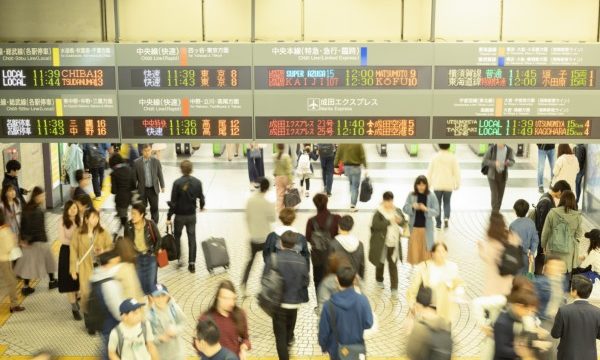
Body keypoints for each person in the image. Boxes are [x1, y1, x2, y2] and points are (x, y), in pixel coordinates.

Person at [265, 231, 309, 360]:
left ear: (280, 243)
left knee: (280, 337)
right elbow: (306, 281)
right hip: (294, 304)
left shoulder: (273, 258)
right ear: (295, 244)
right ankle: (288, 344)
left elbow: (265, 279)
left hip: (277, 304)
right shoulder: (302, 260)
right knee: (288, 334)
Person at [318, 266, 373, 360]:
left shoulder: (329, 305)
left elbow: (324, 331)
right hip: (357, 349)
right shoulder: (362, 300)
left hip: (336, 350)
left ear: (337, 280)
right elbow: (368, 323)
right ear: (353, 280)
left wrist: (324, 347)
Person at [70, 208, 112, 321]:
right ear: (86, 219)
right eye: (93, 217)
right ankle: (88, 320)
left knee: (99, 293)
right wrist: (73, 269)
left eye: (97, 217)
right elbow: (73, 251)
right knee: (85, 293)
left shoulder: (102, 232)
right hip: (85, 267)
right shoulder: (78, 233)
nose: (96, 219)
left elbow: (111, 246)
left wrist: (103, 250)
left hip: (100, 268)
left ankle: (99, 316)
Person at [13, 187, 57, 295]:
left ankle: (26, 287)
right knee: (48, 261)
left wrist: (23, 239)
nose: (44, 197)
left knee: (27, 265)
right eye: (42, 195)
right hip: (38, 240)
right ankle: (52, 281)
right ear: (37, 196)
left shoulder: (27, 207)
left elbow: (22, 225)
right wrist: (34, 239)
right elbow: (36, 228)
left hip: (28, 241)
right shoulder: (38, 210)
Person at [407, 243, 464, 323]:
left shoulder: (452, 267)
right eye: (438, 251)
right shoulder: (423, 267)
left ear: (446, 253)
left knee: (442, 334)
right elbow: (413, 288)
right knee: (425, 333)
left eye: (443, 251)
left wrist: (458, 292)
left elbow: (458, 283)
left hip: (444, 311)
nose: (441, 254)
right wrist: (412, 305)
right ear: (432, 253)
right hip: (426, 309)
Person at [166, 160, 205, 273]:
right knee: (192, 238)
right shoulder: (197, 182)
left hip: (179, 216)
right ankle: (192, 264)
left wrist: (169, 217)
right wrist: (202, 207)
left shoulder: (177, 183)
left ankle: (179, 260)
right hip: (191, 216)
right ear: (191, 169)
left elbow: (173, 203)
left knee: (177, 237)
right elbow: (201, 198)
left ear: (181, 169)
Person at [551, 275, 600, 360]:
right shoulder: (597, 312)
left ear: (575, 291)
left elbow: (555, 334)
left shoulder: (564, 310)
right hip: (590, 356)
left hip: (567, 355)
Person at [199, 281, 251, 359]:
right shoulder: (206, 318)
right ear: (218, 298)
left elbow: (245, 338)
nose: (231, 303)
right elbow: (196, 343)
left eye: (233, 299)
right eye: (226, 299)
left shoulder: (240, 315)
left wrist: (243, 348)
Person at [90, 250, 126, 356]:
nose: (118, 265)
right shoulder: (108, 282)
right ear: (109, 263)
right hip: (111, 323)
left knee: (107, 347)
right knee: (110, 350)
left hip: (102, 322)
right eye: (116, 262)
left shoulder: (96, 276)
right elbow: (116, 309)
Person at [241, 178, 276, 290]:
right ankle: (265, 285)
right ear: (267, 189)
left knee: (250, 262)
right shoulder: (267, 203)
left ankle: (244, 284)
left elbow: (247, 217)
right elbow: (273, 219)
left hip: (254, 237)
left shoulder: (250, 200)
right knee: (268, 262)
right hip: (266, 239)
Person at [541, 190, 582, 283]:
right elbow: (579, 234)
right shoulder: (577, 216)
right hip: (569, 251)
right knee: (566, 276)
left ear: (561, 200)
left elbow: (545, 232)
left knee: (551, 274)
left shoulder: (552, 212)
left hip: (553, 249)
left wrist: (543, 245)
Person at [305, 193, 341, 298]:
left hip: (318, 257)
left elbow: (308, 237)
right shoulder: (336, 218)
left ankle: (320, 305)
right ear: (327, 203)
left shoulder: (311, 221)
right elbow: (339, 235)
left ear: (315, 204)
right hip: (333, 256)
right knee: (334, 279)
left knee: (318, 280)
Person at [533, 180, 571, 275]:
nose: (563, 198)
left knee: (541, 262)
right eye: (564, 194)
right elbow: (543, 226)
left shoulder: (547, 197)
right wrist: (544, 245)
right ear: (560, 191)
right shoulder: (547, 202)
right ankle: (538, 282)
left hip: (542, 240)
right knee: (541, 262)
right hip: (543, 241)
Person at [478, 212, 521, 296]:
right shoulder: (512, 236)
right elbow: (517, 246)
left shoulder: (490, 241)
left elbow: (486, 257)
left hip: (493, 283)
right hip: (508, 281)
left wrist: (480, 248)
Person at [369, 191, 405, 292]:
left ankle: (394, 288)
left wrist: (400, 221)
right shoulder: (379, 212)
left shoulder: (397, 210)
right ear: (383, 201)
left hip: (394, 243)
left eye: (390, 201)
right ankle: (379, 279)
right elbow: (375, 225)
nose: (388, 203)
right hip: (381, 243)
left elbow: (403, 223)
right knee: (380, 262)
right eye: (386, 201)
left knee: (393, 265)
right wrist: (389, 222)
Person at [493, 286, 540, 360]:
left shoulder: (522, 318)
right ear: (519, 306)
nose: (530, 314)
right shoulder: (502, 323)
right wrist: (523, 353)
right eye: (528, 310)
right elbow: (501, 350)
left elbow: (526, 338)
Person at [406, 286, 452, 360]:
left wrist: (409, 331)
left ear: (418, 305)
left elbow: (410, 353)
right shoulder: (445, 324)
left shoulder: (419, 328)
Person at [124, 202, 161, 294]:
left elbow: (159, 239)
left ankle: (152, 304)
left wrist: (154, 252)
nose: (132, 216)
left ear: (142, 215)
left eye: (134, 214)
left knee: (151, 284)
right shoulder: (128, 225)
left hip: (150, 257)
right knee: (140, 285)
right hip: (137, 258)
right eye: (131, 213)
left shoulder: (150, 224)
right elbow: (126, 242)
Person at [403, 175, 440, 265]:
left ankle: (425, 274)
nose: (421, 187)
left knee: (427, 254)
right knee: (415, 254)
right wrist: (412, 206)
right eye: (419, 185)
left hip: (426, 230)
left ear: (426, 185)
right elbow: (405, 208)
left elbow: (437, 211)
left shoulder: (431, 195)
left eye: (423, 185)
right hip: (414, 229)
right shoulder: (411, 195)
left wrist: (426, 209)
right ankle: (418, 275)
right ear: (416, 185)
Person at [148, 284, 187, 360]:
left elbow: (183, 322)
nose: (161, 299)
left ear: (168, 296)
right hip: (161, 355)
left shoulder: (174, 308)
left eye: (163, 295)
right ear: (151, 298)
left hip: (178, 353)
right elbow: (148, 339)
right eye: (157, 296)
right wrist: (160, 338)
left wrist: (176, 330)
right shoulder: (149, 315)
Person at [58, 200, 82, 320]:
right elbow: (62, 239)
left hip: (79, 252)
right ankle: (74, 307)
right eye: (71, 208)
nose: (73, 210)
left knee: (78, 280)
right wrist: (74, 242)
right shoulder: (62, 221)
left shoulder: (79, 221)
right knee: (69, 282)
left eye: (75, 208)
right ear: (66, 210)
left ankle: (77, 298)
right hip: (66, 252)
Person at [427, 143, 461, 229]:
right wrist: (457, 183)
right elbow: (457, 171)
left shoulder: (435, 157)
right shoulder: (452, 157)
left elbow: (430, 171)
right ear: (449, 146)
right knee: (447, 202)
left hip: (437, 184)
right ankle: (446, 218)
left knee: (437, 204)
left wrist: (428, 183)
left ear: (439, 146)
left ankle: (438, 223)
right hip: (448, 184)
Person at [133, 143, 165, 224]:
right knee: (142, 208)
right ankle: (142, 224)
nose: (147, 152)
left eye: (149, 150)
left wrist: (162, 186)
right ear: (142, 151)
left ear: (151, 150)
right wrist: (133, 190)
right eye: (145, 151)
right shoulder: (136, 163)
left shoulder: (156, 161)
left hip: (153, 189)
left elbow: (160, 174)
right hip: (142, 190)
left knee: (154, 208)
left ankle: (154, 226)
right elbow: (134, 178)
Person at [0, 211, 24, 313]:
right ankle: (14, 305)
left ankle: (14, 304)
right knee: (11, 282)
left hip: (4, 259)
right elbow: (9, 247)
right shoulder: (4, 230)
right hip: (4, 260)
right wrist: (14, 241)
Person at [482, 143, 515, 212]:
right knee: (495, 195)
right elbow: (485, 160)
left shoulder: (509, 150)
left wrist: (508, 162)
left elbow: (512, 161)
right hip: (492, 175)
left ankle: (497, 210)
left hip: (503, 175)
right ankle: (495, 212)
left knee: (500, 195)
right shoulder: (492, 149)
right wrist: (494, 163)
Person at [330, 215, 365, 279]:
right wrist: (361, 278)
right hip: (354, 278)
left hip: (338, 280)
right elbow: (362, 265)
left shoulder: (333, 244)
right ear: (351, 227)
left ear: (339, 226)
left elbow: (330, 265)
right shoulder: (360, 244)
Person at [510, 199, 539, 275]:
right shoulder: (531, 223)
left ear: (515, 211)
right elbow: (535, 240)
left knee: (517, 281)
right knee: (528, 279)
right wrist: (531, 253)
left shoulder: (513, 225)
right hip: (528, 258)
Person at [334, 144, 367, 212]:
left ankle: (352, 197)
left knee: (351, 183)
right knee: (355, 187)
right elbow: (362, 156)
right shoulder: (358, 144)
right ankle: (352, 205)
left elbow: (338, 155)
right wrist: (365, 167)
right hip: (356, 167)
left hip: (346, 167)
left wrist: (335, 166)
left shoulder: (342, 144)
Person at [109, 153, 136, 229]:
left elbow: (114, 191)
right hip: (130, 197)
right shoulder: (129, 169)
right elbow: (134, 185)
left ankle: (126, 230)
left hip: (121, 199)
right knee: (135, 215)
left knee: (123, 218)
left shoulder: (114, 173)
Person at [273, 143, 293, 212]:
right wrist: (291, 181)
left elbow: (275, 169)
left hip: (278, 177)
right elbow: (289, 170)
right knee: (289, 194)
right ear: (284, 148)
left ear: (277, 148)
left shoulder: (274, 156)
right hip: (286, 178)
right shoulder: (286, 156)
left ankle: (279, 211)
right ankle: (289, 210)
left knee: (279, 196)